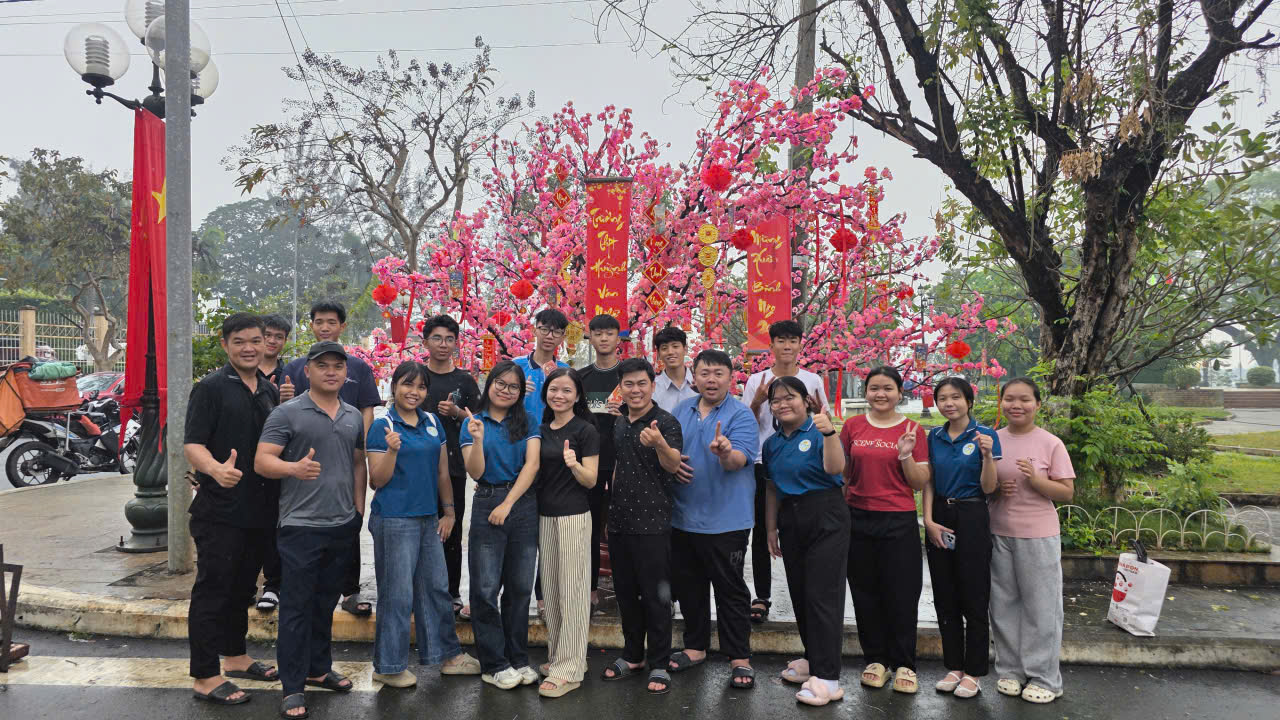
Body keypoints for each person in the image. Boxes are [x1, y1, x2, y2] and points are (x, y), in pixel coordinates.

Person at [255, 341, 367, 719]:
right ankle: (292, 686)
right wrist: (293, 469)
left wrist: (358, 509)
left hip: (342, 524)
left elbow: (358, 463)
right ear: (308, 371)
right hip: (300, 527)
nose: (331, 372)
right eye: (323, 366)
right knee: (297, 608)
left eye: (338, 366)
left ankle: (319, 668)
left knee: (324, 603)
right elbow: (262, 461)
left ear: (346, 372)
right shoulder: (287, 413)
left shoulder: (353, 415)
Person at [183, 313, 281, 707]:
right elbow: (193, 443)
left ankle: (236, 656)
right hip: (220, 510)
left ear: (266, 343)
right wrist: (214, 469)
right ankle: (205, 675)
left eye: (256, 340)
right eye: (239, 341)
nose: (249, 348)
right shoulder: (210, 388)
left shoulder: (268, 390)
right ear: (225, 345)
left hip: (259, 509)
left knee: (243, 587)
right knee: (214, 590)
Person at [365, 361, 482, 689]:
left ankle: (448, 656)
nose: (413, 392)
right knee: (397, 594)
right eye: (407, 384)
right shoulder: (383, 425)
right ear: (395, 387)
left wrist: (449, 512)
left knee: (436, 588)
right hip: (394, 519)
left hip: (428, 518)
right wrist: (391, 451)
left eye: (420, 386)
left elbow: (443, 472)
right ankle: (388, 666)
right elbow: (377, 480)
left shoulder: (432, 422)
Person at [666, 349, 759, 689]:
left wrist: (725, 452)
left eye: (719, 373)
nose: (711, 380)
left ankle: (739, 657)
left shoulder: (741, 414)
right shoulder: (681, 411)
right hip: (683, 516)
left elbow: (738, 461)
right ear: (694, 376)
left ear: (730, 378)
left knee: (730, 589)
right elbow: (669, 454)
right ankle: (695, 647)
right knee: (690, 586)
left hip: (727, 520)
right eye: (705, 373)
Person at [283, 301, 382, 617]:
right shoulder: (296, 368)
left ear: (342, 326)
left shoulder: (358, 368)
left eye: (331, 322)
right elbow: (283, 415)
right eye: (319, 321)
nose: (325, 327)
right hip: (306, 459)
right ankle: (299, 589)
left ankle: (350, 590)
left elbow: (367, 409)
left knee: (348, 520)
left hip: (347, 453)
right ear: (311, 325)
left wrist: (360, 444)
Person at [839, 365, 929, 694]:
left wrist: (905, 455)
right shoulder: (852, 426)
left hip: (898, 519)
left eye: (888, 388)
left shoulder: (913, 429)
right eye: (874, 388)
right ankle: (876, 659)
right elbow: (844, 473)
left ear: (899, 393)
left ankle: (904, 663)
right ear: (865, 392)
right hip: (858, 517)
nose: (880, 394)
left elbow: (919, 483)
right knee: (865, 592)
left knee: (901, 593)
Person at [762, 376, 849, 706]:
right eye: (776, 400)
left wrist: (829, 433)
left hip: (826, 513)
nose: (783, 404)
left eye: (790, 397)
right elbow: (772, 488)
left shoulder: (819, 431)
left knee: (823, 595)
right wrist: (771, 528)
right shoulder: (772, 444)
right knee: (800, 592)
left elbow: (836, 468)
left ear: (805, 400)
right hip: (791, 518)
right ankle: (814, 658)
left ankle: (828, 678)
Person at [600, 358, 684, 695]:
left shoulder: (666, 422)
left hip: (652, 523)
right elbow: (619, 466)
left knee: (656, 597)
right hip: (620, 522)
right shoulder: (620, 422)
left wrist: (659, 443)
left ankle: (659, 662)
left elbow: (674, 464)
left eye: (642, 383)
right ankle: (632, 655)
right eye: (629, 384)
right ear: (621, 387)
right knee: (625, 593)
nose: (635, 390)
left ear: (652, 385)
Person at [989, 377, 1075, 705]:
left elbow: (1066, 492)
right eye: (1009, 399)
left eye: (1024, 399)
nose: (1016, 405)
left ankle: (1045, 678)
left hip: (1038, 535)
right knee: (1003, 605)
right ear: (1001, 403)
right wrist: (997, 489)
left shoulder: (1050, 443)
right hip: (998, 532)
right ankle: (1010, 670)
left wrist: (1037, 480)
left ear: (1037, 404)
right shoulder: (993, 440)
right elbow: (983, 486)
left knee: (1042, 608)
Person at [459, 360, 542, 690]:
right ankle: (494, 664)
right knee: (485, 589)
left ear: (521, 392)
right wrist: (477, 439)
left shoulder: (528, 420)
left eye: (513, 387)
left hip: (522, 503)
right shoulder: (473, 422)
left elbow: (532, 465)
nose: (506, 391)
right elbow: (476, 472)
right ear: (489, 383)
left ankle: (517, 658)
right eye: (501, 384)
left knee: (520, 588)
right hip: (487, 500)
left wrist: (509, 504)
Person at [740, 320, 830, 624]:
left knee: (802, 526)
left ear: (801, 344)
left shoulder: (812, 379)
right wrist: (757, 401)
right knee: (761, 530)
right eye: (781, 341)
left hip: (803, 463)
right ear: (771, 345)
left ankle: (810, 592)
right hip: (762, 460)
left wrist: (816, 411)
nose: (787, 346)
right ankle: (761, 595)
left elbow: (823, 419)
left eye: (792, 340)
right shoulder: (757, 380)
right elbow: (745, 423)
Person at [922, 377, 1000, 699]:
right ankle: (953, 666)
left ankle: (974, 672)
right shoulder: (934, 436)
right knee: (945, 593)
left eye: (955, 397)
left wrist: (987, 456)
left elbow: (989, 488)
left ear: (969, 401)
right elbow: (929, 481)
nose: (949, 403)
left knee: (974, 593)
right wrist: (928, 520)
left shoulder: (985, 435)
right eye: (942, 398)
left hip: (972, 514)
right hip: (940, 513)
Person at [533, 368, 600, 698]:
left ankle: (570, 669)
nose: (559, 395)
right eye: (554, 389)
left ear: (577, 396)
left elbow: (591, 480)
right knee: (552, 591)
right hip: (545, 517)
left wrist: (574, 464)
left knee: (573, 592)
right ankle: (562, 656)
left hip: (574, 516)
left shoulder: (585, 430)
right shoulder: (541, 430)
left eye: (566, 390)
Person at [417, 315, 481, 617]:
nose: (443, 344)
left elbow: (480, 421)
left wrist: (457, 413)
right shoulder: (416, 377)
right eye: (437, 338)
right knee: (418, 529)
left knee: (451, 532)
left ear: (456, 343)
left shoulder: (464, 381)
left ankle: (451, 591)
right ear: (425, 342)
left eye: (449, 339)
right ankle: (420, 590)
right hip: (418, 467)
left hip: (454, 467)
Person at [575, 314, 623, 612]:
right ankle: (591, 589)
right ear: (590, 337)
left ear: (618, 338)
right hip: (590, 462)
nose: (604, 338)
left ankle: (626, 588)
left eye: (609, 333)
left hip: (623, 462)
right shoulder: (581, 377)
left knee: (622, 527)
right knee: (589, 528)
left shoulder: (628, 375)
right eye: (598, 333)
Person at [256, 313, 293, 613]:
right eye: (267, 335)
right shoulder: (241, 371)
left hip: (277, 459)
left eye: (278, 337)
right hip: (241, 459)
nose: (272, 341)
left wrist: (286, 400)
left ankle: (273, 584)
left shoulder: (289, 374)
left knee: (274, 522)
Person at [513, 308, 570, 424]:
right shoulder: (515, 366)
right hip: (519, 432)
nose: (550, 336)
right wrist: (515, 391)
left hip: (554, 433)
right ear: (534, 331)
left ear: (563, 337)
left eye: (556, 332)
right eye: (544, 330)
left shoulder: (566, 371)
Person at [652, 326, 697, 412]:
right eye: (664, 348)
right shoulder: (652, 388)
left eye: (675, 346)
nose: (670, 352)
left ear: (685, 349)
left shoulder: (699, 384)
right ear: (659, 354)